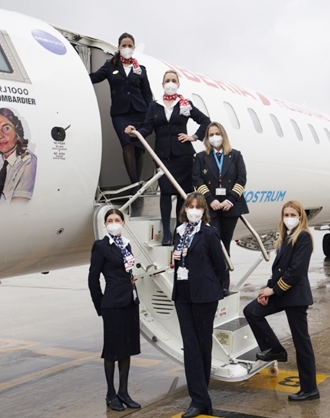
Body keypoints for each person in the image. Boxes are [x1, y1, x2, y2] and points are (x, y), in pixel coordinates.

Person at [242, 201, 319, 402]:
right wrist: (267, 290)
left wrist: (273, 290)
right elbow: (279, 270)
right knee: (252, 311)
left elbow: (295, 272)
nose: (289, 218)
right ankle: (274, 349)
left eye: (293, 214)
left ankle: (310, 389)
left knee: (302, 343)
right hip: (282, 293)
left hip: (295, 297)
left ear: (300, 217)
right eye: (286, 214)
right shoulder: (285, 238)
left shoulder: (303, 237)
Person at [125, 70, 211, 245]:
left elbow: (205, 121)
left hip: (183, 155)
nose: (170, 83)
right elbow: (148, 127)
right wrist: (136, 133)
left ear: (178, 84)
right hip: (163, 156)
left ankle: (180, 231)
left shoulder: (185, 104)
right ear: (162, 84)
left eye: (173, 80)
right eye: (167, 80)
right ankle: (166, 233)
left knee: (182, 194)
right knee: (165, 193)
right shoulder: (154, 106)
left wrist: (193, 137)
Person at [171, 192, 229, 418]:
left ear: (204, 211)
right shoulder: (179, 232)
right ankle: (200, 399)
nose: (193, 210)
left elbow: (220, 266)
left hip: (204, 296)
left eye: (198, 207)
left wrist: (208, 284)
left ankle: (200, 399)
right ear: (184, 209)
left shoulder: (209, 233)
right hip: (182, 295)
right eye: (190, 206)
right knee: (190, 346)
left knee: (203, 347)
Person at [87, 209, 142, 411]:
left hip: (129, 302)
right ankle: (111, 393)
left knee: (126, 348)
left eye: (117, 220)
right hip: (112, 304)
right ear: (104, 224)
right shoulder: (101, 246)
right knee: (111, 350)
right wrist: (100, 304)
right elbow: (93, 279)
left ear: (123, 223)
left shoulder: (126, 244)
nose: (113, 223)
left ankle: (123, 392)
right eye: (110, 220)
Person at [89, 32, 153, 187]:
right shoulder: (110, 66)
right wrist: (79, 76)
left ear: (134, 48)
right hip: (120, 114)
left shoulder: (141, 70)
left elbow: (147, 94)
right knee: (127, 144)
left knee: (139, 148)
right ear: (118, 47)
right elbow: (96, 77)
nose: (127, 48)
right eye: (124, 45)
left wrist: (150, 115)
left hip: (140, 112)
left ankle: (136, 184)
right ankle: (134, 184)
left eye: (130, 46)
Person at [192, 121, 249, 258]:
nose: (214, 137)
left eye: (217, 134)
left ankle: (224, 277)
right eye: (211, 134)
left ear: (223, 135)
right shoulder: (201, 157)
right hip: (210, 206)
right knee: (214, 243)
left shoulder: (235, 155)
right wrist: (211, 200)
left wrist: (230, 200)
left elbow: (241, 179)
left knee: (226, 244)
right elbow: (197, 180)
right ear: (207, 138)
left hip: (231, 205)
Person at [0, 107, 37, 205]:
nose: (0, 135)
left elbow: (17, 209)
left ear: (17, 131)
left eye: (6, 128)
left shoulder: (27, 161)